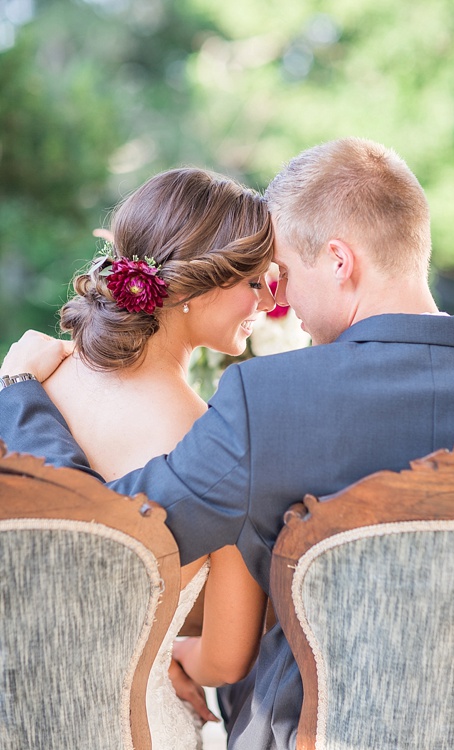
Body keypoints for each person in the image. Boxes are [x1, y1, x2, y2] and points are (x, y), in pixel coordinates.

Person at [2, 137, 454, 750]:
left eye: (284, 275)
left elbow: (97, 545)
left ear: (339, 262)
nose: (278, 304)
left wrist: (22, 396)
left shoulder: (266, 402)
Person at [0, 166, 276, 750]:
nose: (267, 302)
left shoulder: (29, 384)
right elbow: (227, 659)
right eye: (255, 282)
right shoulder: (215, 444)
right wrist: (170, 657)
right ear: (198, 288)